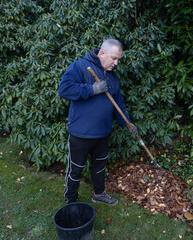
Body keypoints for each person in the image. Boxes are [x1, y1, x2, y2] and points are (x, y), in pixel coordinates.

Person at [58, 38, 137, 205]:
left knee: (99, 167)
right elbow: (64, 89)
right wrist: (91, 89)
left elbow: (118, 103)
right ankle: (71, 200)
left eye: (118, 60)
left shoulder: (113, 77)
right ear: (102, 53)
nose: (116, 63)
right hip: (80, 133)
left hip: (102, 133)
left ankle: (99, 194)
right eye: (113, 58)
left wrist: (127, 123)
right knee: (75, 169)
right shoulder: (80, 66)